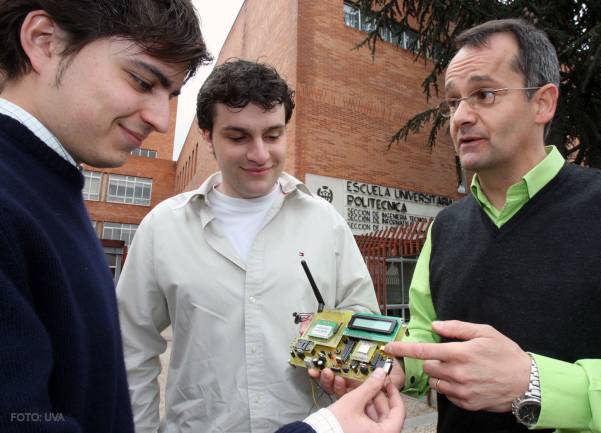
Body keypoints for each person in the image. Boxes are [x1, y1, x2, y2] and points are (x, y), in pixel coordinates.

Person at [382, 18, 601, 433]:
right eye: (453, 102)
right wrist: (395, 366)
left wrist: (536, 384)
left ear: (543, 103)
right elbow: (426, 336)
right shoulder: (445, 228)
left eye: (484, 94)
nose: (461, 118)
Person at [116, 59, 381, 433]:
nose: (259, 155)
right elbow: (131, 347)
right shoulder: (163, 228)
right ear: (207, 137)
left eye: (273, 135)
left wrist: (346, 366)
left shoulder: (326, 223)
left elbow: (364, 323)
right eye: (238, 137)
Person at [0, 1, 210, 432]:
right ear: (44, 41)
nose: (160, 119)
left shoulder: (50, 185)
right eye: (141, 80)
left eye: (169, 95)